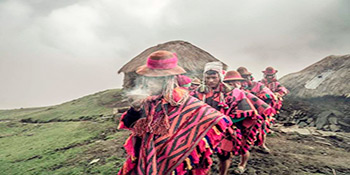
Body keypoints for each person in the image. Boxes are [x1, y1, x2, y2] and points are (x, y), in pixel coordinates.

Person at [118, 51, 232, 175]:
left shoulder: (186, 103)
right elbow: (130, 125)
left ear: (168, 80)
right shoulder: (146, 102)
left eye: (155, 79)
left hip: (178, 161)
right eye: (148, 79)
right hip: (146, 155)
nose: (150, 83)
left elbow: (214, 119)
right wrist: (135, 109)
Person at [192, 63, 261, 175]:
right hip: (202, 130)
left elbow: (246, 112)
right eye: (207, 78)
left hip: (225, 129)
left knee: (224, 156)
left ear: (220, 77)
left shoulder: (234, 92)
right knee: (201, 157)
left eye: (214, 77)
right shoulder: (197, 92)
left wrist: (225, 121)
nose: (210, 81)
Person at [237, 67, 277, 153]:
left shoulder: (258, 85)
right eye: (242, 77)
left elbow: (270, 95)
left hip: (258, 111)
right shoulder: (237, 86)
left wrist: (257, 98)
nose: (244, 80)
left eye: (245, 77)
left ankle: (262, 145)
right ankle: (243, 145)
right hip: (243, 112)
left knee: (262, 126)